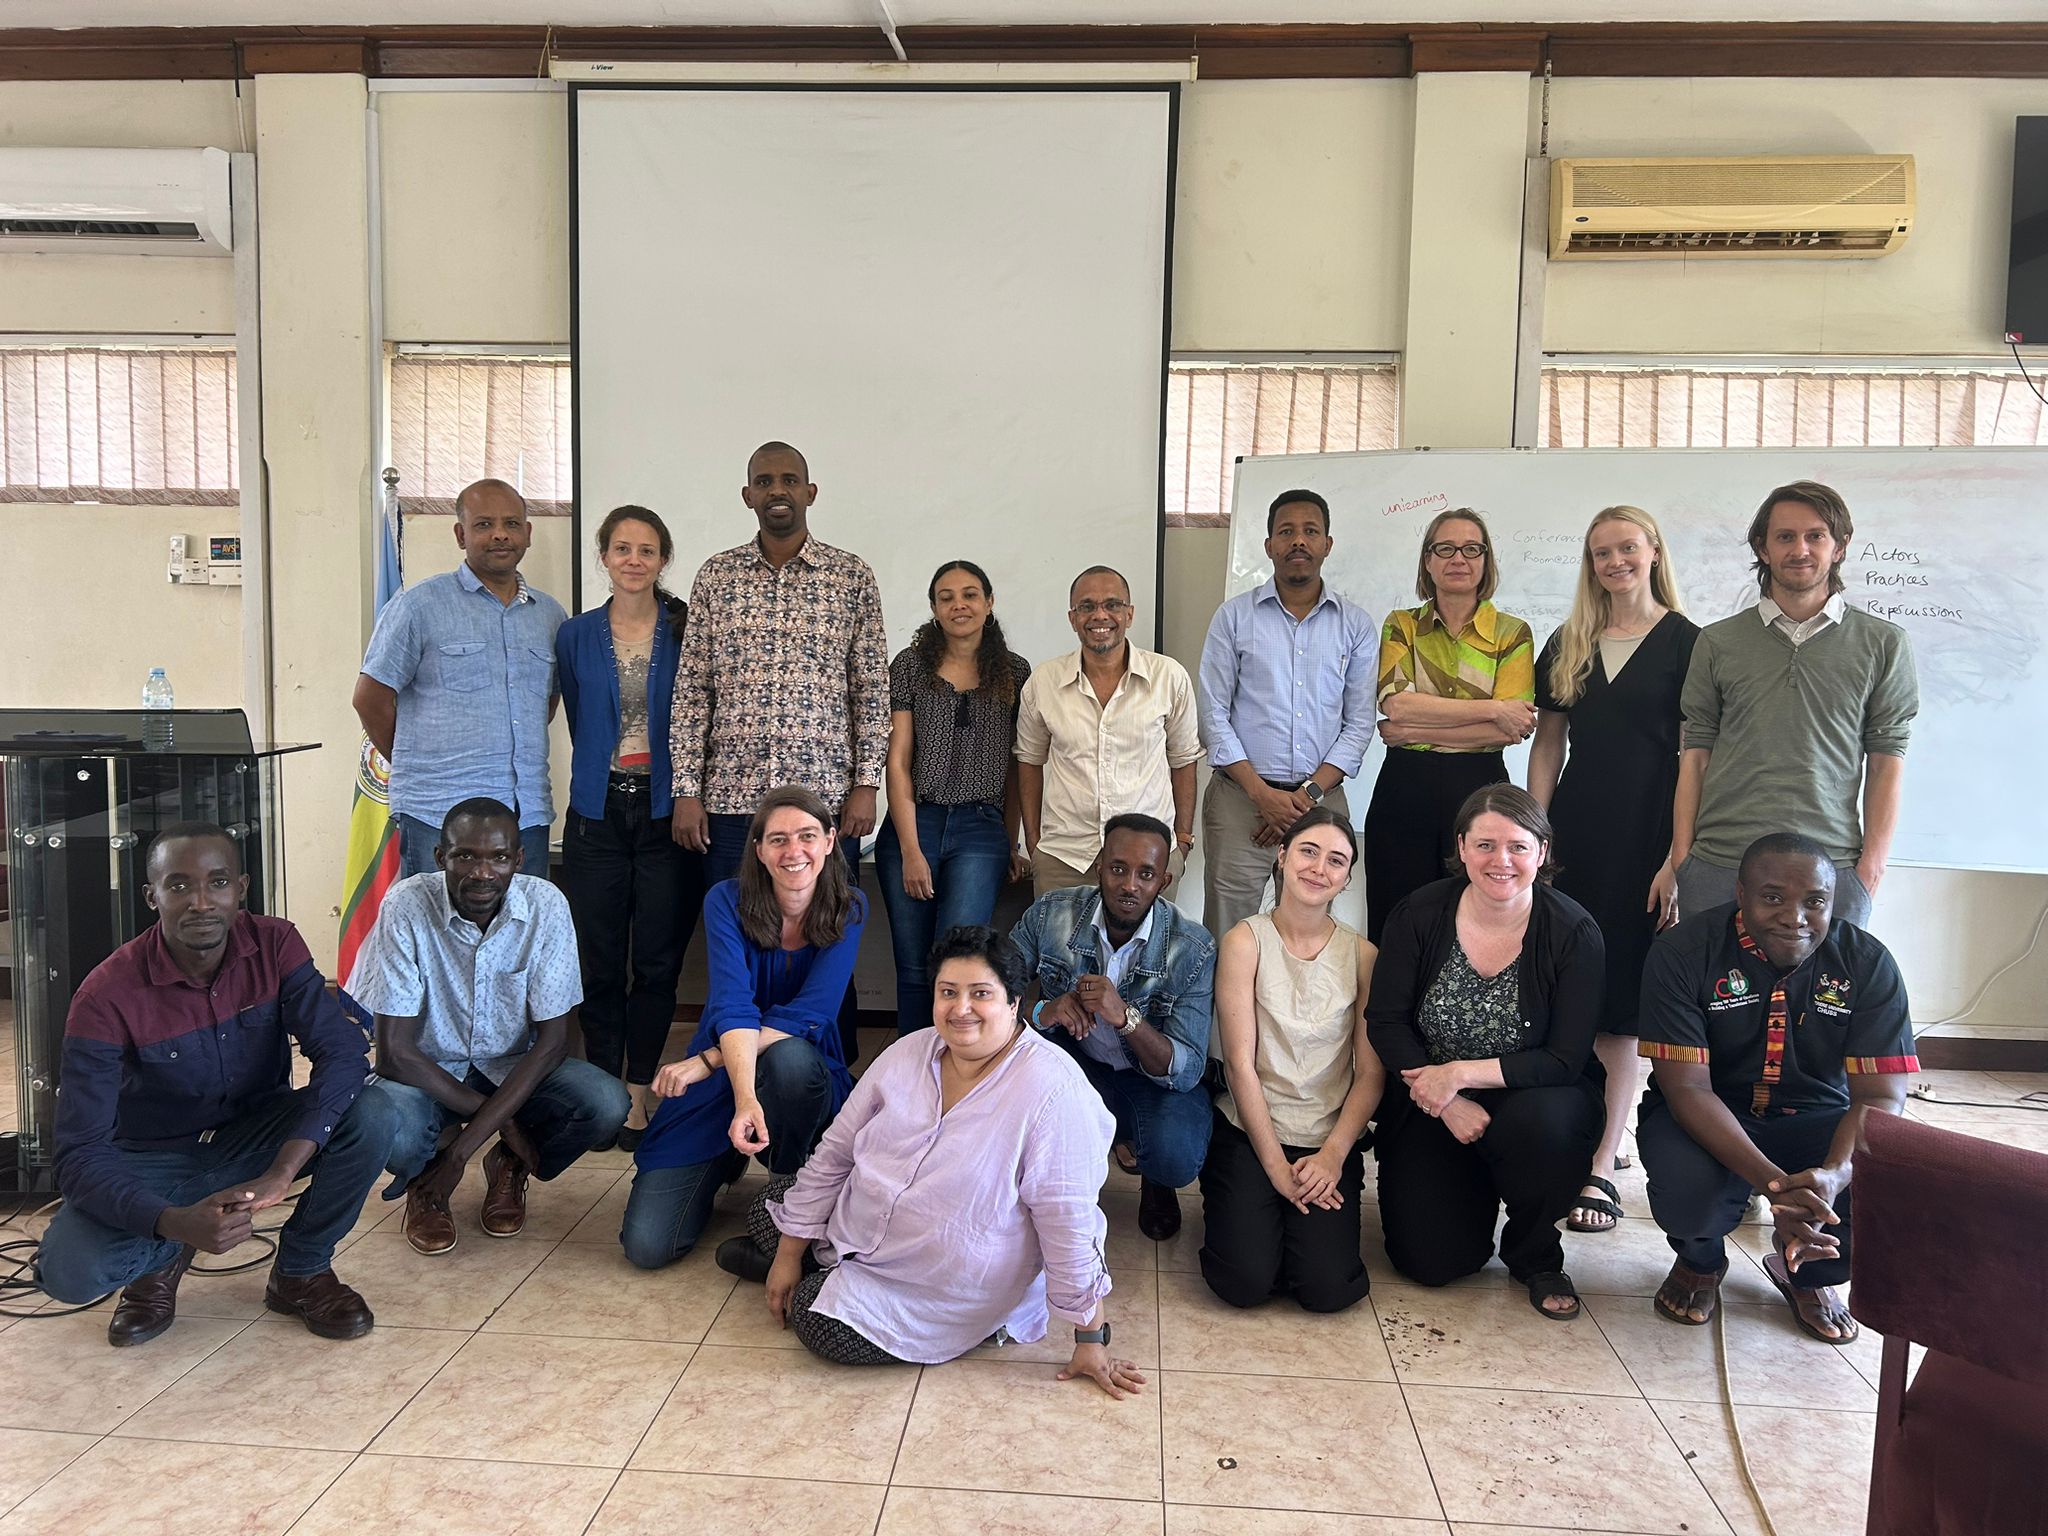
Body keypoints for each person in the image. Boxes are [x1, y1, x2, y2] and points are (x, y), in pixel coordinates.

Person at [735, 927, 1142, 1397]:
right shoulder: (911, 1050)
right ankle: (804, 1267)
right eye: (948, 992)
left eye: (981, 994)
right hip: (864, 1222)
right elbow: (837, 1150)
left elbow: (1069, 1221)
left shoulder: (1054, 1092)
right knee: (771, 1204)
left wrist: (1090, 1339)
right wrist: (788, 1254)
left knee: (815, 1321)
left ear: (1013, 1003)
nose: (961, 1008)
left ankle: (816, 1282)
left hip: (943, 1284)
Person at [38, 824, 394, 1347]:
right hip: (154, 1158)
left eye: (218, 882)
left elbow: (342, 1053)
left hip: (256, 1136)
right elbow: (78, 1155)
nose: (201, 902)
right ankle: (159, 1264)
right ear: (151, 895)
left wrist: (282, 1170)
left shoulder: (275, 944)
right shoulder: (106, 994)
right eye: (179, 886)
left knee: (375, 1112)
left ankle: (301, 1271)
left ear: (242, 888)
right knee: (71, 1271)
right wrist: (173, 1223)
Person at [1637, 833, 1915, 1345]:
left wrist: (1833, 1175)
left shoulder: (1867, 962)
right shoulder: (1682, 953)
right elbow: (1689, 1090)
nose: (1795, 917)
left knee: (1884, 1182)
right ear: (1740, 894)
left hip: (1817, 1118)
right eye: (1772, 898)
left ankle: (1806, 1275)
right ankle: (1700, 1262)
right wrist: (1778, 1188)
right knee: (1688, 1190)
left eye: (1815, 902)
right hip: (1711, 1113)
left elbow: (1880, 1099)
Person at [669, 441, 886, 1059]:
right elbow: (693, 693)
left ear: (810, 492)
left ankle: (825, 1093)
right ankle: (732, 1090)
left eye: (790, 480)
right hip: (733, 805)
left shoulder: (850, 576)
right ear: (748, 496)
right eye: (764, 482)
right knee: (737, 952)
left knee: (826, 953)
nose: (778, 490)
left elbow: (870, 686)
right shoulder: (715, 576)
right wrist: (688, 790)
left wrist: (866, 783)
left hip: (824, 810)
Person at [1365, 785, 1606, 1321]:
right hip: (1430, 1100)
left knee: (1546, 1124)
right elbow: (1385, 1022)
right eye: (1485, 845)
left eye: (1518, 846)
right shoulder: (1419, 913)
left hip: (1535, 1097)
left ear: (1542, 852)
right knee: (1431, 1263)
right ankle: (1471, 1188)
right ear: (1462, 847)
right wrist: (1445, 1099)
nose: (1502, 861)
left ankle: (1535, 1250)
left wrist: (1458, 1074)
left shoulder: (1574, 932)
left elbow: (1565, 1058)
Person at [1527, 507, 1700, 1236]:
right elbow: (1546, 748)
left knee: (1626, 1002)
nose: (1615, 561)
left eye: (1627, 548)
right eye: (1601, 552)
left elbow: (1698, 759)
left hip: (1649, 842)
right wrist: (1532, 839)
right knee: (1573, 989)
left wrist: (1677, 858)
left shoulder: (1694, 645)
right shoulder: (1569, 643)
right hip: (1576, 838)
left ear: (1654, 552)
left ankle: (1601, 1162)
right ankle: (1572, 1139)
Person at [353, 798, 629, 1254]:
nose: (482, 873)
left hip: (513, 1065)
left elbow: (554, 1042)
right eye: (466, 856)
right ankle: (426, 1183)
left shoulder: (545, 905)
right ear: (441, 857)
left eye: (498, 858)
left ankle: (507, 1165)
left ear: (518, 860)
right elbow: (394, 1052)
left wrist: (464, 1151)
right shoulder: (406, 904)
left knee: (604, 1101)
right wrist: (507, 1122)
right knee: (385, 1123)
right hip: (426, 1069)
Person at [619, 786, 862, 1274]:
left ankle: (786, 1192)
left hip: (802, 1071)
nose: (794, 851)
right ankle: (725, 1158)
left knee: (790, 1060)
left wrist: (704, 1061)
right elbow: (732, 1006)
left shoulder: (849, 905)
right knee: (647, 1247)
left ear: (830, 841)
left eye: (807, 836)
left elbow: (809, 1016)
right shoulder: (724, 899)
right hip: (727, 1068)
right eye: (777, 840)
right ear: (758, 850)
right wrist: (744, 1098)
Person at [1671, 480, 1918, 930]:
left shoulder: (1884, 644)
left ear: (1840, 546)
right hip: (1721, 863)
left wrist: (1871, 868)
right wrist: (1682, 855)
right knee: (1714, 999)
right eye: (1784, 537)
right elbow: (1696, 754)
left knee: (1823, 1002)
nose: (1799, 549)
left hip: (1831, 867)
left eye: (1815, 536)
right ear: (1763, 550)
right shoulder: (1717, 642)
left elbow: (1887, 762)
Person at [556, 505, 705, 1148]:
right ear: (605, 557)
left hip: (666, 812)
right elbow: (578, 711)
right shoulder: (575, 635)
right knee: (599, 961)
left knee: (656, 960)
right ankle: (603, 1091)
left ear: (663, 559)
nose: (634, 560)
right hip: (597, 812)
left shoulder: (687, 630)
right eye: (622, 548)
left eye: (647, 550)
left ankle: (644, 1087)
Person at [1200, 808, 1381, 1314]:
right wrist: (1277, 1167)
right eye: (1308, 851)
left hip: (1327, 1138)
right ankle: (1249, 1212)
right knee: (1244, 1283)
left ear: (1346, 879)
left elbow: (1369, 1073)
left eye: (1336, 860)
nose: (1318, 868)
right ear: (1281, 857)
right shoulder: (1244, 941)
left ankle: (1284, 1229)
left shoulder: (1364, 955)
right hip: (1251, 1129)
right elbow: (1239, 1065)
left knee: (1327, 1290)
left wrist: (1332, 1156)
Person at [1010, 813, 1215, 1243]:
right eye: (1118, 868)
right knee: (1012, 1103)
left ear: (1164, 880)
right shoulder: (1051, 913)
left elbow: (1187, 1069)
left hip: (1151, 1080)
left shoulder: (1193, 947)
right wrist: (1045, 1010)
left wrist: (1125, 1018)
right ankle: (1055, 1185)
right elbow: (993, 988)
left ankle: (1151, 1174)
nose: (1129, 885)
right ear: (1099, 864)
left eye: (1146, 874)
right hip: (1076, 1061)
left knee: (1176, 1156)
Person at [354, 478, 567, 878]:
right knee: (437, 936)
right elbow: (370, 698)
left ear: (528, 533)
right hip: (437, 815)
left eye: (512, 523)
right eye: (484, 524)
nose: (500, 534)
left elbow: (546, 704)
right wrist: (416, 764)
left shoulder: (549, 615)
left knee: (520, 934)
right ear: (460, 534)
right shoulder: (419, 606)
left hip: (525, 817)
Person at [1197, 489, 1378, 941]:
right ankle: (1225, 1016)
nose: (1299, 541)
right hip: (1241, 801)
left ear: (1327, 544)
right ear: (1269, 545)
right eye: (1287, 532)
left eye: (1310, 531)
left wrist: (1307, 796)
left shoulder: (1355, 625)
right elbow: (1212, 712)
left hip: (1320, 802)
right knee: (1227, 932)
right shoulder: (1233, 617)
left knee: (1306, 934)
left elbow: (1360, 723)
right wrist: (1263, 796)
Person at [1363, 509, 1537, 944]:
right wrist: (1494, 708)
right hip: (1405, 788)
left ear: (1485, 560)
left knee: (1473, 921)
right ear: (1428, 560)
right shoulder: (1401, 625)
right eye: (1445, 548)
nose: (1458, 558)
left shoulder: (1512, 633)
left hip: (1481, 790)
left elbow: (1509, 731)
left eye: (1471, 549)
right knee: (1395, 918)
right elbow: (1398, 706)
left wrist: (1419, 730)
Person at [875, 558, 1033, 1035]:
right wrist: (910, 850)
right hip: (913, 823)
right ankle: (911, 1073)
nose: (958, 604)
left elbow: (1015, 765)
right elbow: (897, 762)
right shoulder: (909, 665)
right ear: (933, 608)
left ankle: (954, 1071)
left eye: (969, 594)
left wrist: (1010, 842)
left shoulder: (1014, 672)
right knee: (911, 966)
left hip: (980, 830)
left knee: (957, 962)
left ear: (988, 603)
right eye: (946, 596)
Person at [1015, 566, 1202, 898]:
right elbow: (1029, 762)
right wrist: (1034, 841)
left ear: (1129, 614)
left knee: (1146, 951)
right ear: (1072, 618)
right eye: (1087, 606)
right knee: (1059, 951)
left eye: (1112, 605)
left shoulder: (1169, 678)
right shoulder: (1043, 683)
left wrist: (1183, 840)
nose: (1100, 615)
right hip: (1064, 859)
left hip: (1149, 858)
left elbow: (1184, 761)